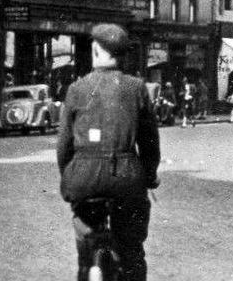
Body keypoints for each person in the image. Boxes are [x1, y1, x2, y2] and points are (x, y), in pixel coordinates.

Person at [57, 24, 160, 281]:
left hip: (84, 182)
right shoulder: (137, 88)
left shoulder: (77, 89)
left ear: (95, 50)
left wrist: (70, 176)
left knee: (86, 249)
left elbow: (64, 147)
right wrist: (149, 175)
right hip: (127, 180)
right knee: (132, 253)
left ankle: (87, 266)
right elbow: (150, 143)